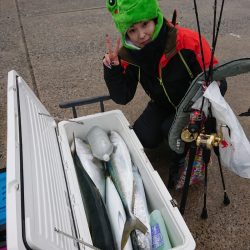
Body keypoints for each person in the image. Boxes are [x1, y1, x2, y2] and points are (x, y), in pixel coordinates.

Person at [103, 0, 227, 187]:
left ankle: (184, 151)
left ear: (155, 18)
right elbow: (123, 96)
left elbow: (221, 83)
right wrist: (112, 69)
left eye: (145, 24)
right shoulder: (128, 55)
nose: (141, 35)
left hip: (192, 107)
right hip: (162, 104)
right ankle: (174, 139)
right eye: (132, 30)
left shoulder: (188, 41)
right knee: (143, 136)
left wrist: (204, 101)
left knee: (172, 130)